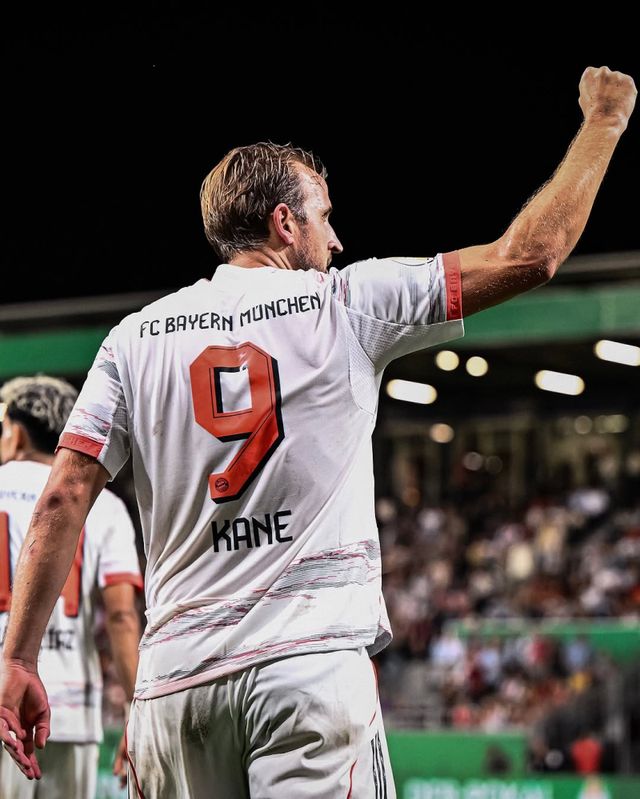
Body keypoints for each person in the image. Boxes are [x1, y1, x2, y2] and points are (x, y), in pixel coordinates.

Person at [0, 66, 635, 798]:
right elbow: (530, 254)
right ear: (285, 222)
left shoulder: (133, 339)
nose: (337, 239)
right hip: (306, 669)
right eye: (325, 217)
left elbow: (63, 497)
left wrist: (18, 659)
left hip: (174, 683)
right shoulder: (347, 303)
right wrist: (604, 121)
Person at [0, 376, 142, 798]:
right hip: (72, 710)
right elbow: (121, 615)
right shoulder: (104, 505)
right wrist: (135, 709)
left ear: (16, 433)